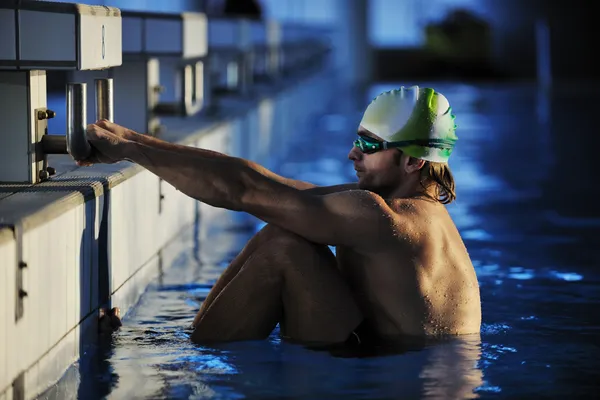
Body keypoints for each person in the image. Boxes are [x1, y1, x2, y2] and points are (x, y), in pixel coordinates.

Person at [79, 86, 481, 346]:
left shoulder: (384, 218)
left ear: (412, 161)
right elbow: (267, 187)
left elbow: (243, 190)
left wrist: (133, 152)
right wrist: (132, 139)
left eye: (368, 144)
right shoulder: (398, 210)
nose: (352, 153)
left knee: (285, 251)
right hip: (382, 357)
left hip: (380, 376)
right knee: (282, 227)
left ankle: (178, 352)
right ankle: (188, 338)